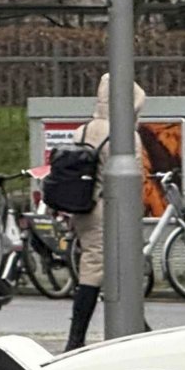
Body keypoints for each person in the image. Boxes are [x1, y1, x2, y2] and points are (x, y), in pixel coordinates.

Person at [65, 74, 146, 352]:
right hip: (108, 210)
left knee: (111, 268)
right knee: (99, 269)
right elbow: (135, 181)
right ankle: (75, 339)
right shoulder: (125, 136)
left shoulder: (83, 130)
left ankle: (141, 329)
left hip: (83, 208)